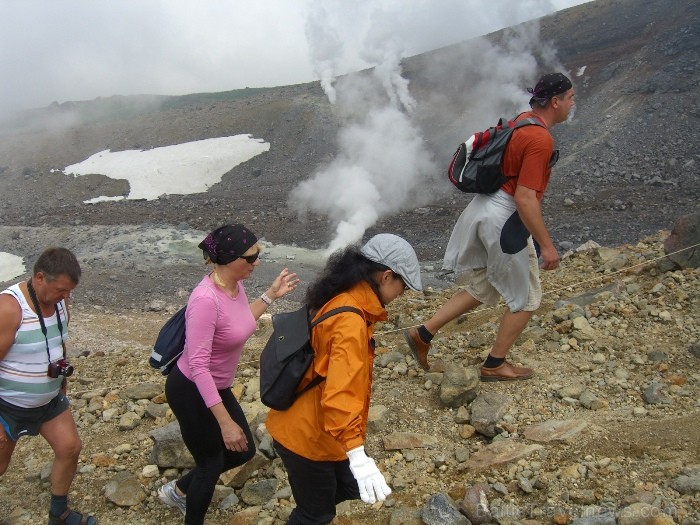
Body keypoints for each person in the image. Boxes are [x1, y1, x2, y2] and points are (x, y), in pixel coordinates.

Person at [404, 72, 575, 381]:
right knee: (527, 298)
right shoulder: (540, 139)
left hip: (485, 208)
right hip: (505, 218)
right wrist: (547, 246)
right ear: (555, 101)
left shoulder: (522, 122)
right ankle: (494, 364)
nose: (572, 103)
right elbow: (525, 199)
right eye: (570, 98)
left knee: (487, 284)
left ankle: (422, 334)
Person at [266, 233, 422, 525]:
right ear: (386, 276)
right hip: (307, 437)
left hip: (314, 428)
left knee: (346, 490)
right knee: (315, 514)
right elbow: (340, 394)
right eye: (404, 286)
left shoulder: (341, 295)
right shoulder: (351, 320)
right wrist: (357, 454)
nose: (404, 294)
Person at [157, 224, 298, 525]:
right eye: (250, 258)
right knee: (211, 463)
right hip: (191, 388)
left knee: (241, 451)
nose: (256, 262)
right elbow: (198, 366)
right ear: (229, 258)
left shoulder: (235, 284)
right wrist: (225, 423)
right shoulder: (205, 300)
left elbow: (240, 323)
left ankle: (178, 491)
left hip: (215, 385)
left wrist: (271, 295)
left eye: (257, 255)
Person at [0, 247, 97, 525]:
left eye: (69, 292)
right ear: (39, 277)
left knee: (70, 448)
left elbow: (59, 343)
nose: (66, 297)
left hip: (49, 402)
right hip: (6, 407)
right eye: (61, 290)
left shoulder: (61, 302)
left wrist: (61, 382)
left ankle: (59, 514)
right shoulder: (9, 308)